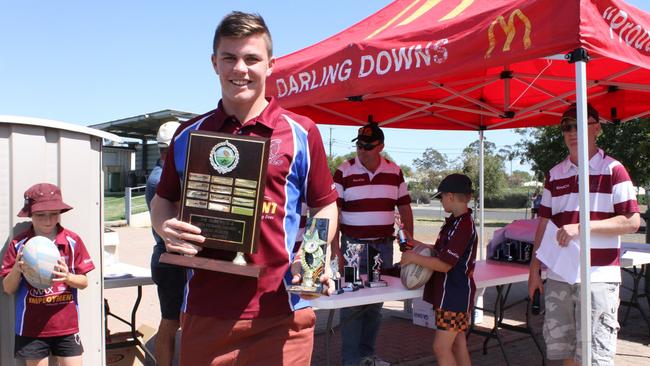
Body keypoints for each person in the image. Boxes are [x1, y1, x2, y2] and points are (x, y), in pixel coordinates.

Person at [149, 11, 338, 365]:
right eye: (229, 58)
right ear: (214, 63)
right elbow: (164, 201)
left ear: (270, 65)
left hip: (282, 313)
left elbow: (325, 205)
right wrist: (165, 227)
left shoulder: (301, 132)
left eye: (252, 58)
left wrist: (312, 254)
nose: (241, 68)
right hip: (206, 312)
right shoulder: (189, 134)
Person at [527, 103, 640, 365]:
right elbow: (543, 224)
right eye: (567, 126)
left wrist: (582, 228)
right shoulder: (555, 174)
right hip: (558, 275)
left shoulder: (613, 169)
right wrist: (534, 269)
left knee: (594, 358)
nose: (572, 131)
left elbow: (632, 221)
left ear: (597, 128)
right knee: (564, 354)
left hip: (598, 277)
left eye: (579, 124)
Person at [333, 122, 413, 366]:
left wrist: (408, 240)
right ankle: (351, 361)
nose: (362, 150)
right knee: (352, 306)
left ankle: (367, 357)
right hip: (353, 247)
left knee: (375, 307)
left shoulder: (394, 171)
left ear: (381, 146)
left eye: (368, 146)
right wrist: (336, 251)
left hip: (383, 247)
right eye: (359, 145)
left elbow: (405, 207)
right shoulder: (343, 171)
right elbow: (333, 212)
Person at [1, 183, 95, 366]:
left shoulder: (72, 241)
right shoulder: (19, 245)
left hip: (66, 326)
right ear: (30, 214)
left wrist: (68, 277)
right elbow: (7, 288)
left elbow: (84, 282)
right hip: (32, 328)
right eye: (40, 215)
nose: (48, 220)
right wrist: (17, 270)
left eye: (54, 214)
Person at [400, 173, 477, 366]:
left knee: (441, 348)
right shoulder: (455, 222)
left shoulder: (463, 225)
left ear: (450, 196)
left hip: (453, 295)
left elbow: (444, 265)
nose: (441, 201)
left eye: (441, 197)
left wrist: (413, 257)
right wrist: (413, 243)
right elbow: (439, 253)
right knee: (458, 344)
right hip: (452, 294)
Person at [145, 121, 183, 366]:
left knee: (174, 320)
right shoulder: (161, 180)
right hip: (171, 259)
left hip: (171, 258)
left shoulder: (165, 175)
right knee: (171, 321)